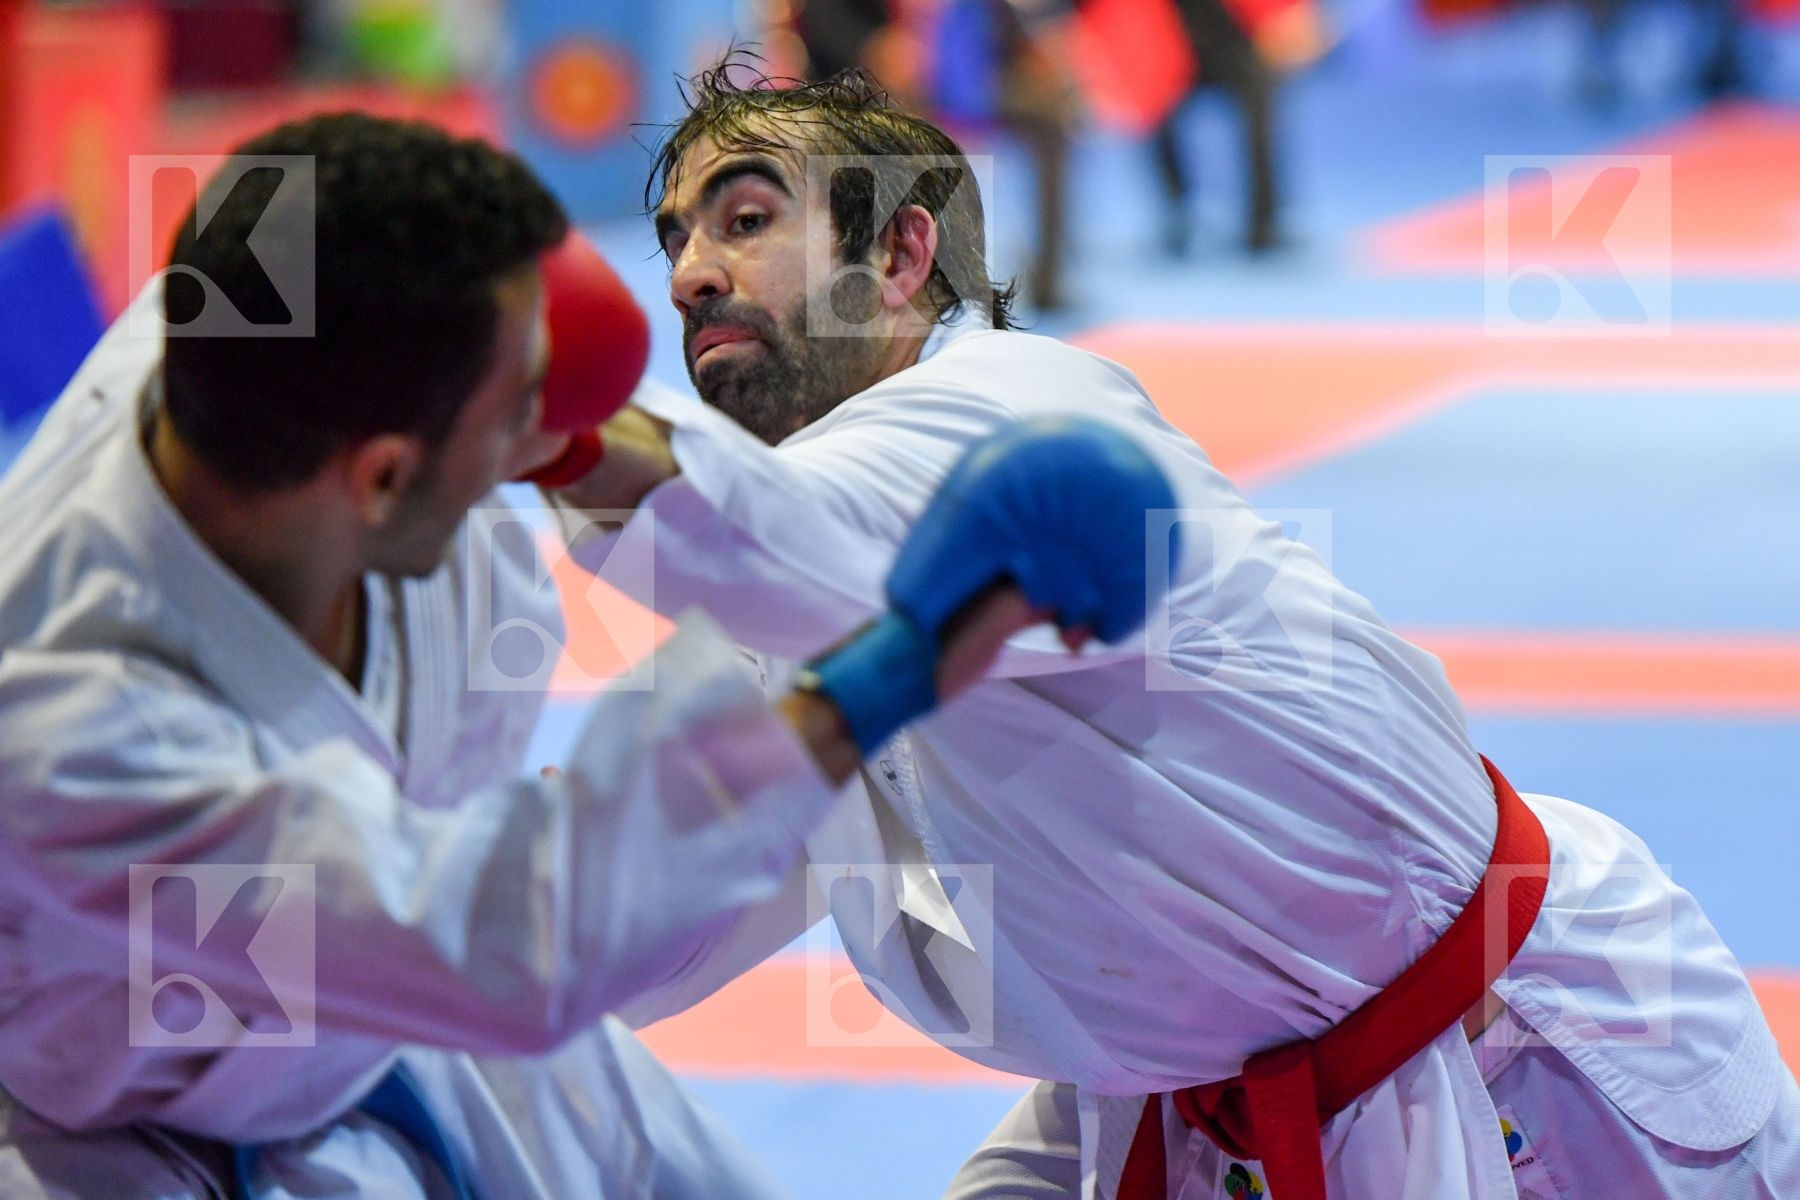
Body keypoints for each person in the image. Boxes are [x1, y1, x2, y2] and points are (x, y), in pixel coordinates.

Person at [555, 63, 1800, 1199]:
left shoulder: (1017, 418)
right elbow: (663, 904)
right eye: (673, 239)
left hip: (1517, 1068)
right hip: (1187, 1088)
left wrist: (515, 394)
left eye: (747, 220)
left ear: (900, 253)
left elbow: (751, 529)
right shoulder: (799, 596)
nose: (687, 274)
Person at [0, 111, 1171, 1198]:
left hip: (426, 1010)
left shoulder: (261, 327)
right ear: (384, 478)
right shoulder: (81, 734)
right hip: (147, 1114)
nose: (562, 446)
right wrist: (899, 663)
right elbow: (505, 944)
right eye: (523, 416)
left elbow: (317, 200)